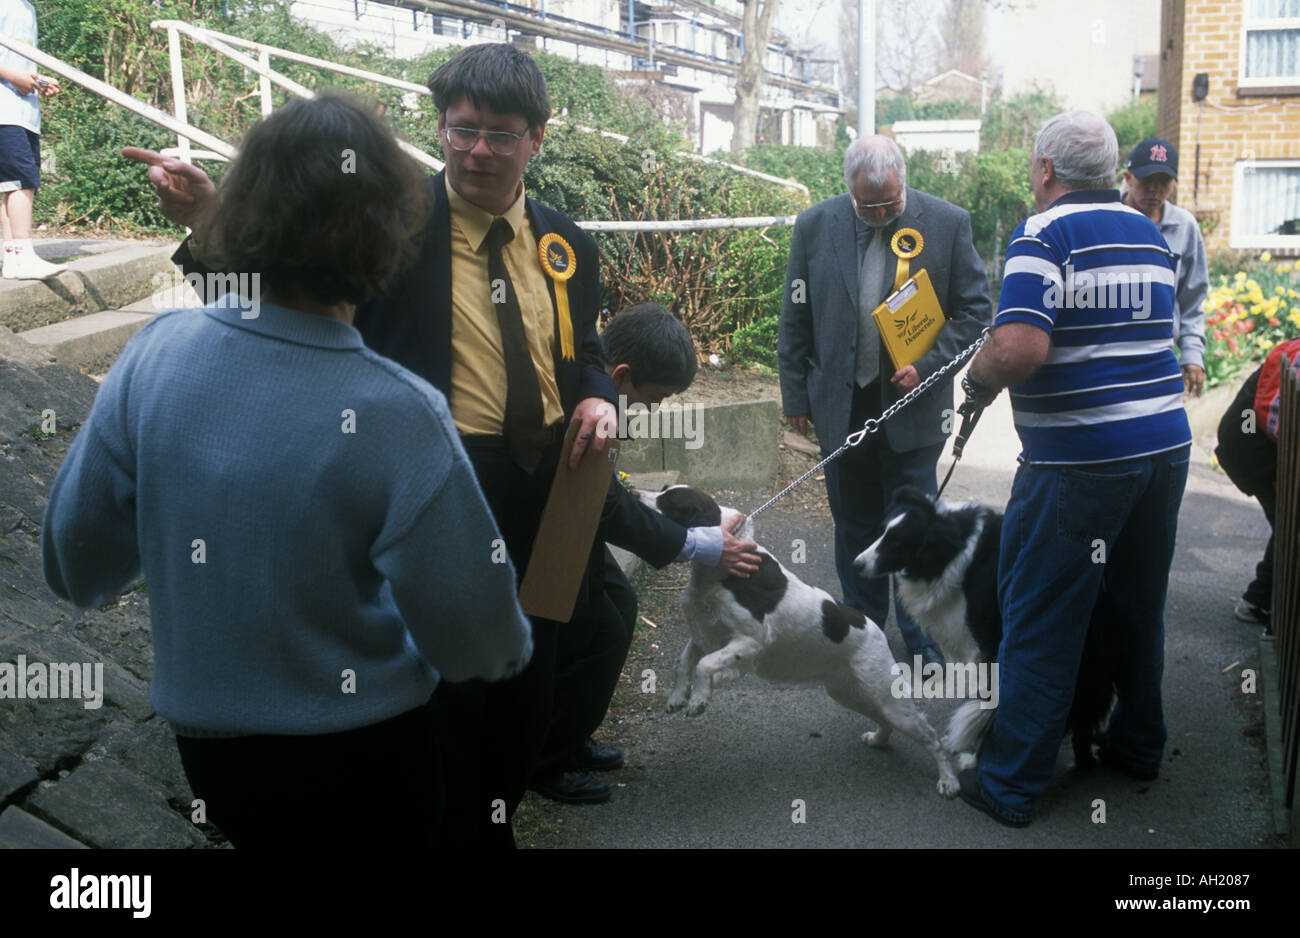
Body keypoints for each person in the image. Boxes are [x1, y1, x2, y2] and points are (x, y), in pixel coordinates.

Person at [126, 43, 665, 845]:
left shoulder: (567, 245)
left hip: (549, 490)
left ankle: (497, 812)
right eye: (463, 130)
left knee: (528, 683)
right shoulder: (391, 228)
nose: (478, 150)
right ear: (441, 127)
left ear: (536, 139)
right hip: (432, 482)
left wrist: (598, 396)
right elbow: (279, 313)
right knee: (441, 688)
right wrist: (211, 225)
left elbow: (581, 347)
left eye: (501, 134)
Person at [42, 92, 532, 849]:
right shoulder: (401, 411)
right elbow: (481, 644)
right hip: (370, 753)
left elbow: (78, 567)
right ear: (389, 235)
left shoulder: (152, 357)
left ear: (241, 208)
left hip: (212, 755)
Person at [958, 110, 1191, 827]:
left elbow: (1021, 347)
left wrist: (976, 378)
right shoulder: (1149, 233)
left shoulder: (1042, 234)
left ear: (1046, 171)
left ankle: (1010, 782)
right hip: (1163, 451)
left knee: (1040, 617)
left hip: (1081, 461)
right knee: (1135, 605)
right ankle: (1136, 744)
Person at [530, 302, 762, 803]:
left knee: (617, 615)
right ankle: (544, 760)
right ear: (622, 375)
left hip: (576, 523)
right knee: (576, 632)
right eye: (653, 397)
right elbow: (609, 506)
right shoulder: (578, 400)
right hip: (546, 528)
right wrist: (702, 545)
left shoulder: (601, 390)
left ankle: (570, 737)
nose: (653, 409)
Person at [778, 135, 991, 666]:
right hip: (840, 404)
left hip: (915, 407)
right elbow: (795, 315)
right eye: (867, 205)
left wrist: (930, 364)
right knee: (854, 521)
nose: (879, 213)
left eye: (890, 203)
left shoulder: (947, 223)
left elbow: (974, 311)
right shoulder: (814, 226)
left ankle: (921, 636)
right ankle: (862, 635)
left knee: (915, 526)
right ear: (848, 188)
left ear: (904, 177)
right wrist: (795, 397)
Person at [1215, 337, 1300, 632]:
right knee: (1292, 526)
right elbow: (1280, 424)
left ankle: (1261, 600)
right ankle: (1258, 601)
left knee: (1289, 524)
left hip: (1255, 445)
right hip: (1251, 449)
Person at [1122, 137, 1208, 397]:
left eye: (1164, 183)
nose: (1155, 191)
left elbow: (1193, 298)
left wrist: (1192, 353)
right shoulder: (1104, 216)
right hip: (1109, 351)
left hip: (1160, 353)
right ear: (1128, 178)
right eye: (1147, 181)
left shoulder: (1185, 227)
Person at [0, 0, 64, 280]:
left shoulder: (27, 8)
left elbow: (17, 60)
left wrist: (38, 79)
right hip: (4, 109)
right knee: (21, 181)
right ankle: (24, 254)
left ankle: (12, 256)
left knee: (9, 184)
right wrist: (14, 76)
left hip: (24, 109)